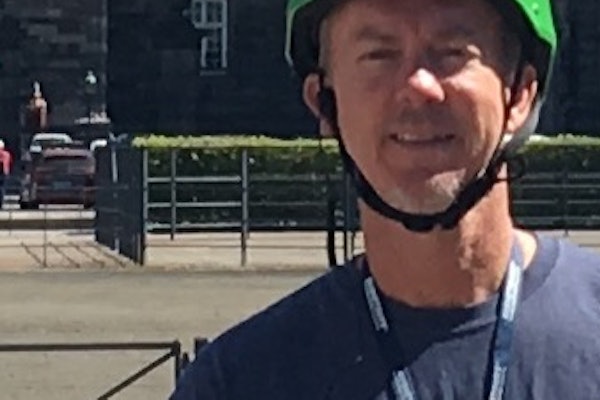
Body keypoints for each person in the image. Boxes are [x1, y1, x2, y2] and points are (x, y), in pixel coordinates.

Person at [171, 0, 600, 398]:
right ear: (324, 104)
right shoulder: (237, 382)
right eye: (379, 55)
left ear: (520, 93)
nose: (418, 86)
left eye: (452, 52)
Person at [0, 139, 12, 208]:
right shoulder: (7, 154)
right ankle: (1, 202)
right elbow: (10, 162)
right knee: (2, 188)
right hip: (4, 173)